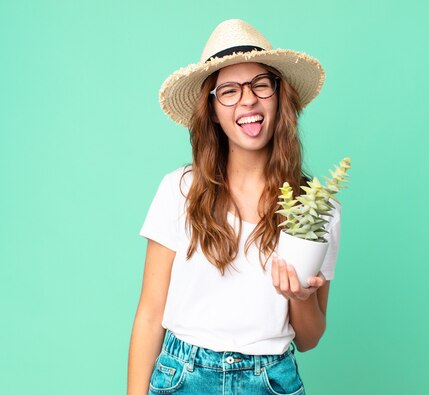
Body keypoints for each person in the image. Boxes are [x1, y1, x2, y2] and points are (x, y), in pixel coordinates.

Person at [127, 19, 341, 395]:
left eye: (260, 85)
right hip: (183, 378)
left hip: (271, 381)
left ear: (280, 96)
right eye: (228, 90)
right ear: (211, 110)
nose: (247, 100)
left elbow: (309, 339)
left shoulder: (316, 209)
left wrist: (299, 298)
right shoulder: (180, 190)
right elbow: (149, 315)